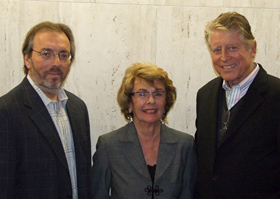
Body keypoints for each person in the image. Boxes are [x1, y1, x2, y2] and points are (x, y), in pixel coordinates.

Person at [0, 22, 91, 199]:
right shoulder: (6, 112)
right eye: (46, 54)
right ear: (27, 59)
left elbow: (84, 179)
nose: (56, 63)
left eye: (63, 55)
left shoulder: (78, 109)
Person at [194, 12, 280, 199]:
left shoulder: (276, 95)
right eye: (217, 50)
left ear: (253, 48)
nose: (224, 57)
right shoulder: (205, 95)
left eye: (232, 48)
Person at [91, 63, 197, 199]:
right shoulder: (108, 146)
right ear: (129, 103)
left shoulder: (185, 145)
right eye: (142, 94)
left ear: (166, 102)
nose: (151, 100)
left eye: (158, 94)